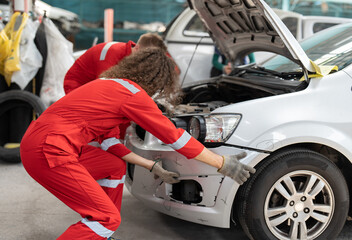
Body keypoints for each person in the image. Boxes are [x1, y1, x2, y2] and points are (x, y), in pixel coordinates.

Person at [20, 48, 255, 240]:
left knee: (112, 166)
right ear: (159, 80)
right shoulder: (133, 95)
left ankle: (101, 235)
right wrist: (221, 163)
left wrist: (151, 166)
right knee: (107, 218)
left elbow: (110, 143)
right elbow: (175, 138)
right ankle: (101, 225)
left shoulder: (110, 86)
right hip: (50, 151)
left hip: (37, 144)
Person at [63, 32, 171, 94]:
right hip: (77, 86)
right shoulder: (111, 55)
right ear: (137, 48)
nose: (148, 62)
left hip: (97, 86)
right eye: (147, 58)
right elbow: (104, 90)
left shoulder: (137, 55)